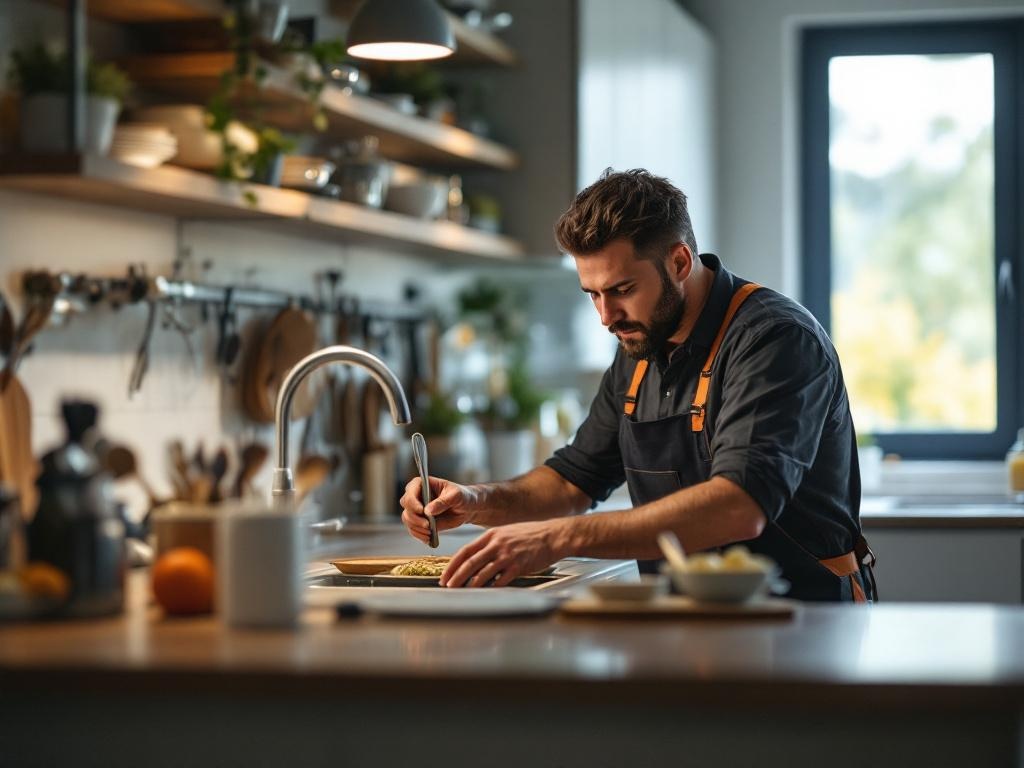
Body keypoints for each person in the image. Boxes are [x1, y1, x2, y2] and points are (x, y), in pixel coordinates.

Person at [400, 168, 876, 602]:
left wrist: (554, 538)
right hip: (685, 620)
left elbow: (738, 506)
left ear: (679, 262)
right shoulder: (640, 344)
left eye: (622, 290)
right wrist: (475, 501)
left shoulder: (773, 339)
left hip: (804, 620)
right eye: (593, 295)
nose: (606, 316)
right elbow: (572, 481)